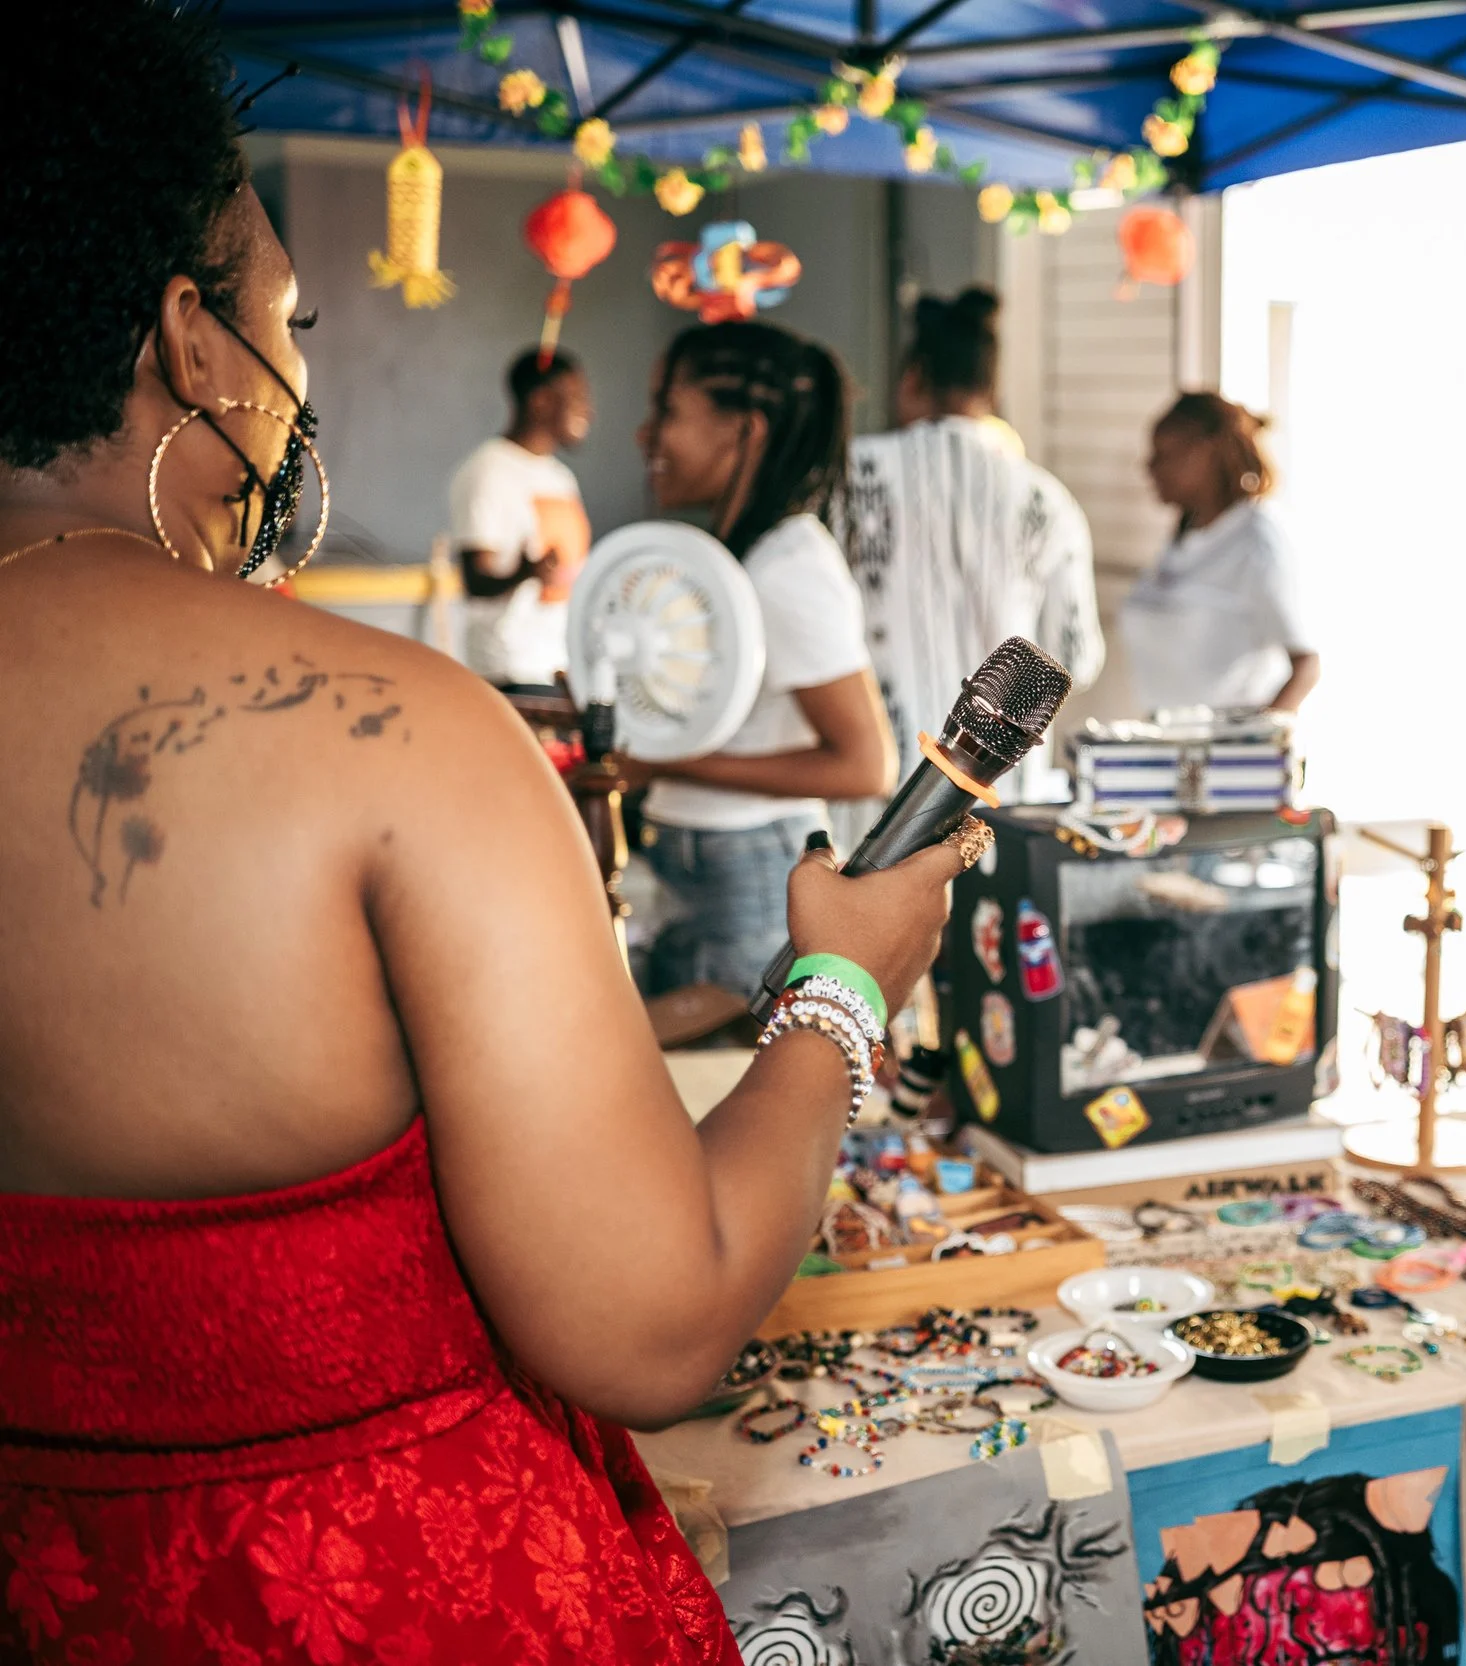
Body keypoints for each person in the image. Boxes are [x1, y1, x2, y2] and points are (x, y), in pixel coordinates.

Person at [0, 6, 957, 1657]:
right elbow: (651, 1325)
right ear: (195, 338)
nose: (294, 363)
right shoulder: (405, 737)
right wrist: (837, 992)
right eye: (289, 315)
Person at [627, 320, 901, 997]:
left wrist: (664, 759)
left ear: (745, 430)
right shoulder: (737, 559)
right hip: (700, 868)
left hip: (752, 875)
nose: (646, 435)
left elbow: (865, 763)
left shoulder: (790, 566)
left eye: (668, 411)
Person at [840, 287, 1102, 826]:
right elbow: (1074, 656)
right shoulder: (1045, 499)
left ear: (912, 378)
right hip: (998, 802)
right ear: (992, 389)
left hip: (877, 793)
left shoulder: (850, 477)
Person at [1123, 391, 1320, 714]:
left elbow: (1307, 665)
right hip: (1168, 744)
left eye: (1164, 454)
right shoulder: (1185, 535)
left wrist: (1252, 748)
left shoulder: (1256, 540)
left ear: (1205, 453)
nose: (1148, 467)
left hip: (1227, 755)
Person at [450, 345, 594, 691]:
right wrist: (528, 571)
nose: (587, 411)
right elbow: (475, 580)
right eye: (576, 397)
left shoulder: (561, 478)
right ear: (541, 400)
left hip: (558, 666)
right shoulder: (490, 470)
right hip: (508, 670)